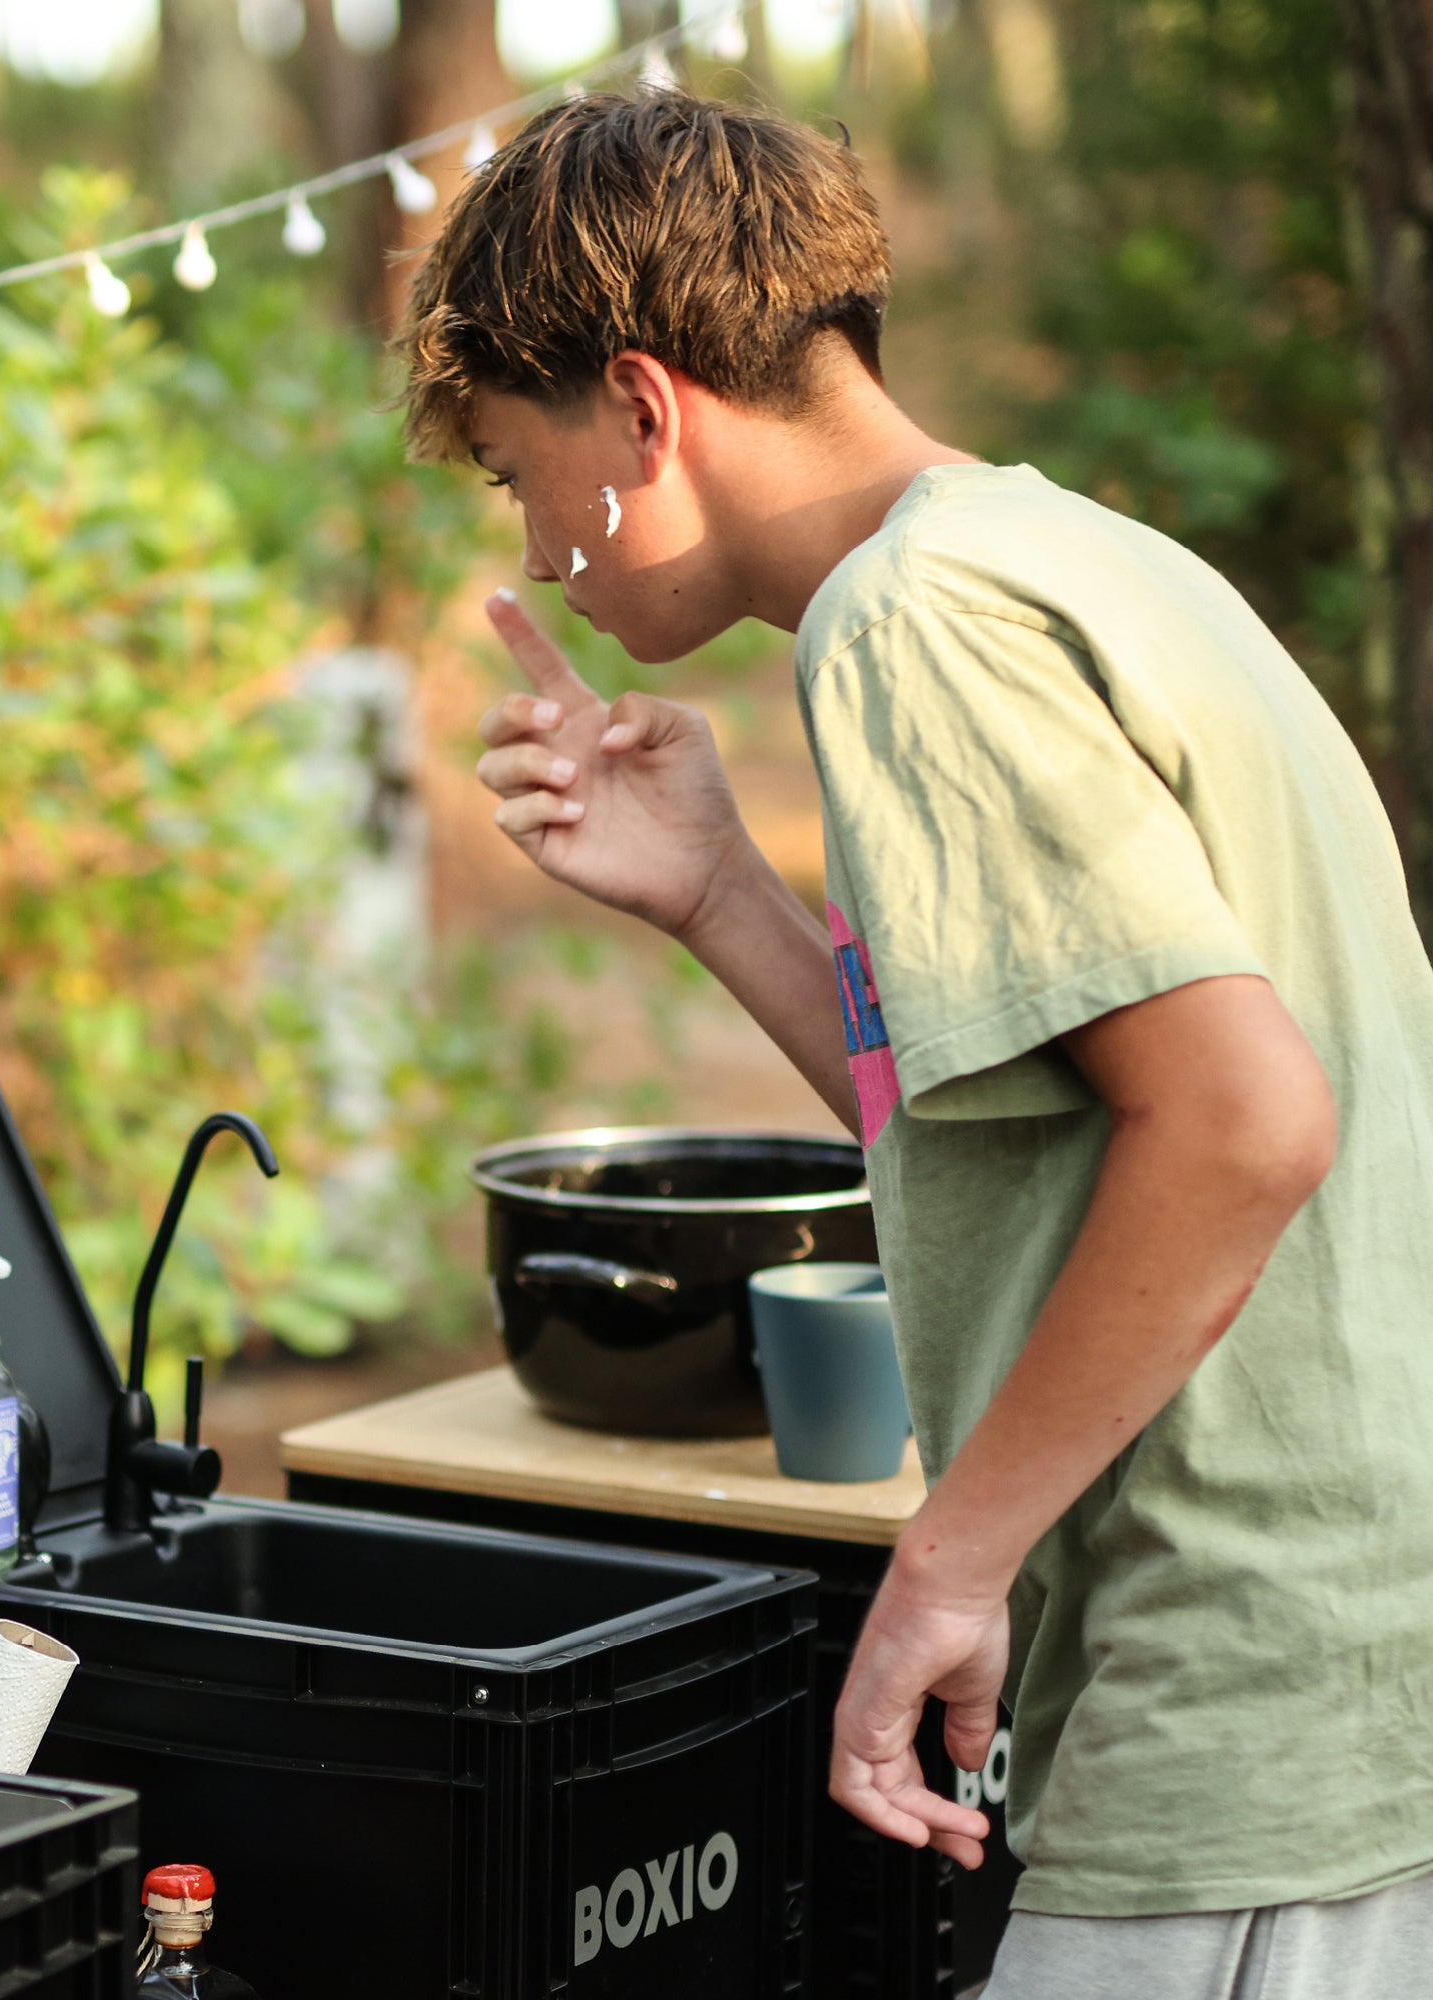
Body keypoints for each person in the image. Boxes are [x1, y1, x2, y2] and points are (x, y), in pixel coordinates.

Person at [397, 89, 1433, 1998]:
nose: (540, 551)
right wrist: (718, 888)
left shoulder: (911, 623)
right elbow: (1027, 1126)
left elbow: (1241, 1122)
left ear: (642, 407)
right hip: (1330, 1666)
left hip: (1243, 1686)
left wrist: (947, 1564)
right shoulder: (1063, 558)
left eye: (514, 469)